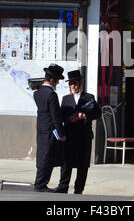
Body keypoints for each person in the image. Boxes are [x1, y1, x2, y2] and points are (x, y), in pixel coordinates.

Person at [55, 70, 101, 194]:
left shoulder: (89, 97)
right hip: (69, 134)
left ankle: (79, 189)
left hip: (84, 135)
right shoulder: (65, 99)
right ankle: (63, 186)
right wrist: (70, 118)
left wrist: (85, 115)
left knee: (83, 163)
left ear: (80, 83)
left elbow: (97, 113)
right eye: (71, 84)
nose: (73, 86)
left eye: (75, 83)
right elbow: (61, 116)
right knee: (66, 162)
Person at [33, 63, 66, 192]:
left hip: (41, 129)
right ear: (52, 80)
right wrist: (61, 134)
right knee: (48, 156)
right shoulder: (51, 95)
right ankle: (40, 184)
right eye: (57, 81)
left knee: (43, 155)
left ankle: (41, 183)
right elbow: (55, 116)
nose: (57, 83)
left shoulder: (38, 93)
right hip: (51, 131)